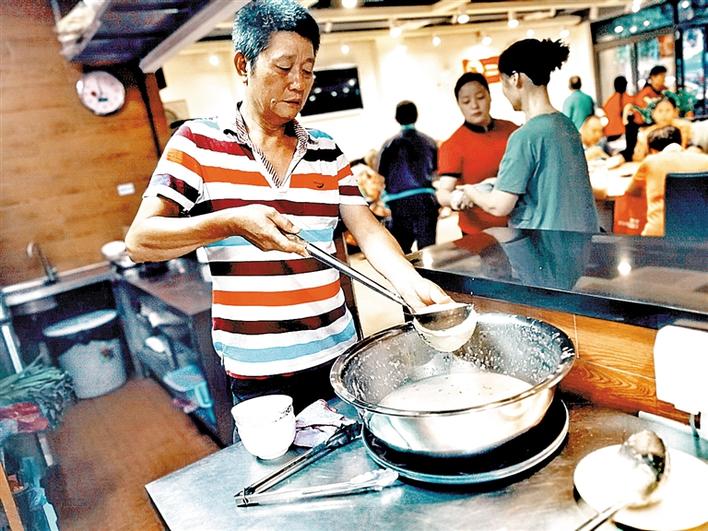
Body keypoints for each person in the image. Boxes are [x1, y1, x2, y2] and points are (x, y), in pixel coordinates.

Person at [124, 0, 451, 417]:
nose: (298, 83)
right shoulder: (197, 143)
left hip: (339, 353)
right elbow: (140, 242)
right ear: (243, 65)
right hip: (259, 370)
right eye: (283, 67)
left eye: (308, 70)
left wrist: (411, 283)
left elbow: (367, 229)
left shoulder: (325, 149)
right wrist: (232, 222)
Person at [460, 39, 599, 233]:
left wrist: (469, 191)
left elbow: (499, 205)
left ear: (515, 79)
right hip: (581, 240)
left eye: (502, 83)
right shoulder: (567, 125)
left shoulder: (524, 137)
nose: (504, 92)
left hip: (543, 245)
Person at [436, 72, 518, 234]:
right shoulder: (453, 145)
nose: (474, 105)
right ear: (459, 105)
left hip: (519, 222)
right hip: (478, 231)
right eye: (466, 101)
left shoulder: (513, 131)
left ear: (489, 96)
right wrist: (454, 199)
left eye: (480, 97)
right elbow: (443, 191)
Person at [376, 101, 439, 254]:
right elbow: (436, 171)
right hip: (425, 201)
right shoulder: (430, 142)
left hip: (399, 203)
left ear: (396, 118)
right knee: (428, 251)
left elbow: (380, 172)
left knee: (403, 250)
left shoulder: (388, 145)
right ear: (416, 116)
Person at [625, 125, 708, 237]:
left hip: (658, 237)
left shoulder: (651, 161)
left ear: (653, 151)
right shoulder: (705, 161)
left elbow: (632, 191)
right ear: (681, 142)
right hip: (701, 236)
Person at [622, 65, 667, 161]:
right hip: (640, 124)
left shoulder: (664, 91)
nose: (664, 79)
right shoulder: (645, 92)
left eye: (664, 76)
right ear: (653, 77)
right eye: (661, 76)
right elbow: (641, 114)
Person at [632, 96, 693, 161]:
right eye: (660, 111)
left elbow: (684, 149)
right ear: (653, 113)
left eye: (668, 110)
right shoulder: (645, 133)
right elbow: (638, 157)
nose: (664, 114)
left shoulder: (684, 127)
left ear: (675, 112)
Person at [602, 75, 633, 141]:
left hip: (609, 135)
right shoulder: (630, 100)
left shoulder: (608, 102)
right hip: (624, 135)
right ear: (625, 85)